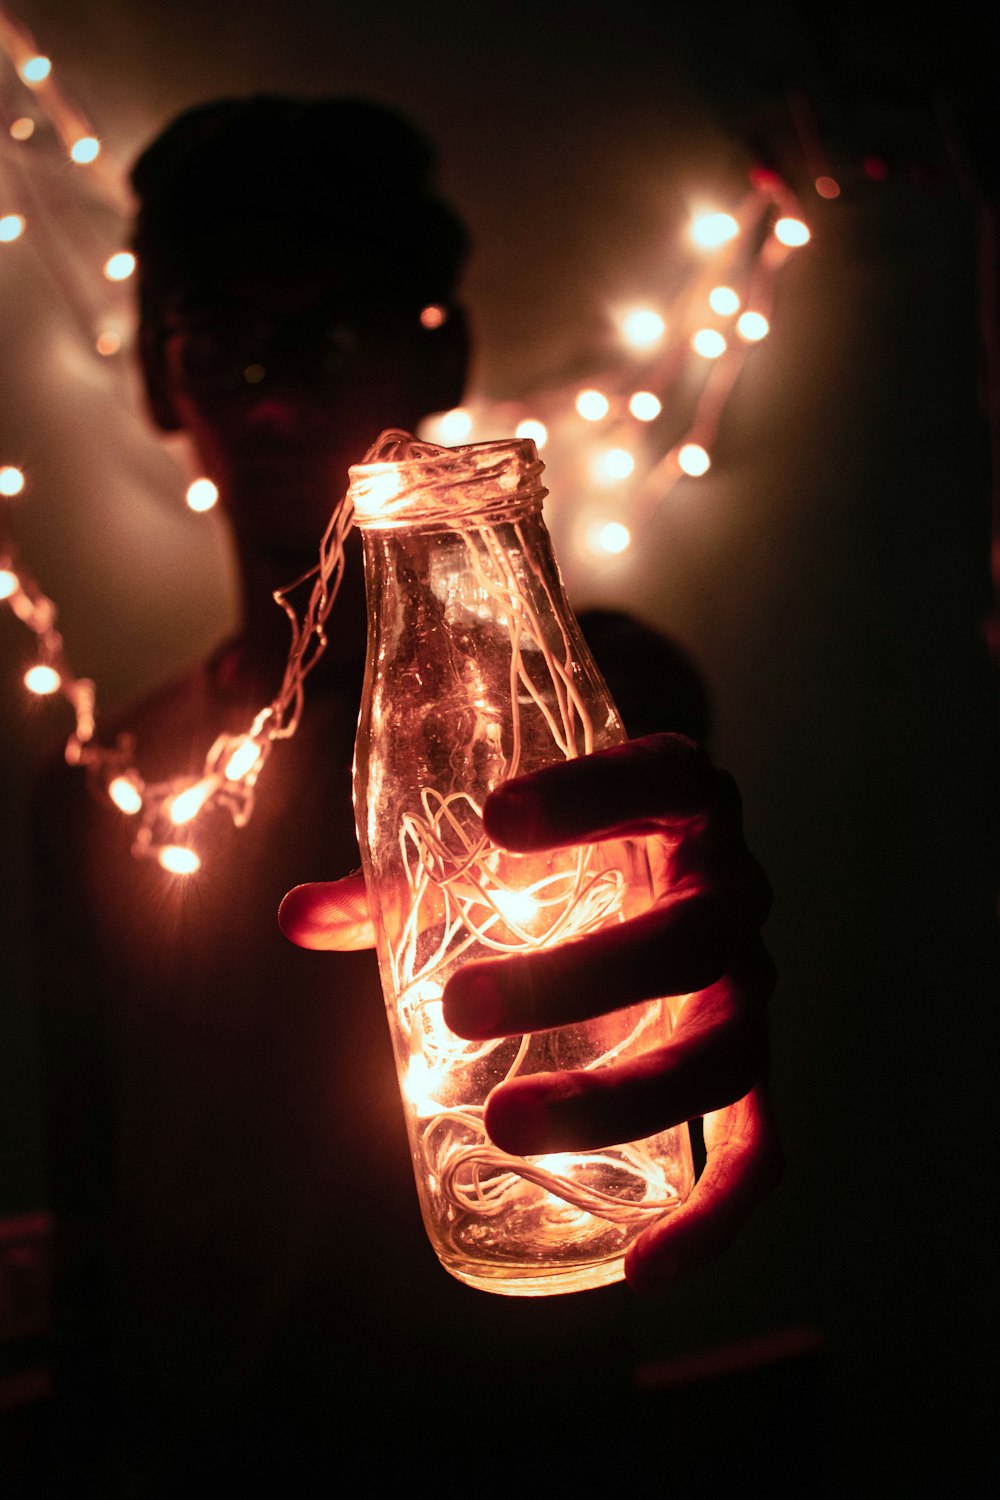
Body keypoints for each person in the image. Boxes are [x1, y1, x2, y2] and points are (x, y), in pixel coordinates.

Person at [33, 96, 779, 1492]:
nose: (276, 391)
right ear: (156, 375)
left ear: (438, 344)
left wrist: (692, 910)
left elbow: (664, 847)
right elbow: (96, 1202)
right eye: (224, 333)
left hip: (510, 1457)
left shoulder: (584, 694)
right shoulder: (101, 784)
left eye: (334, 330)